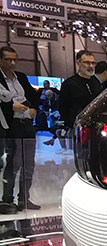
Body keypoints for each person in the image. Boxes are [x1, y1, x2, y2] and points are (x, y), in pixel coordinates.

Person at [0, 46, 41, 212]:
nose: (12, 63)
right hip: (10, 125)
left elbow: (34, 96)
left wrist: (34, 108)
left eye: (14, 59)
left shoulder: (21, 77)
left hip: (27, 124)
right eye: (8, 60)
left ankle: (24, 198)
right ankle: (7, 200)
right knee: (13, 163)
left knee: (29, 163)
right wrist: (11, 107)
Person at [59, 50, 103, 133]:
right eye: (87, 63)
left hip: (95, 127)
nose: (91, 66)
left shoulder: (96, 83)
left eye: (93, 63)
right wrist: (72, 123)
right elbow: (63, 108)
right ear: (78, 63)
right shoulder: (69, 84)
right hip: (76, 128)